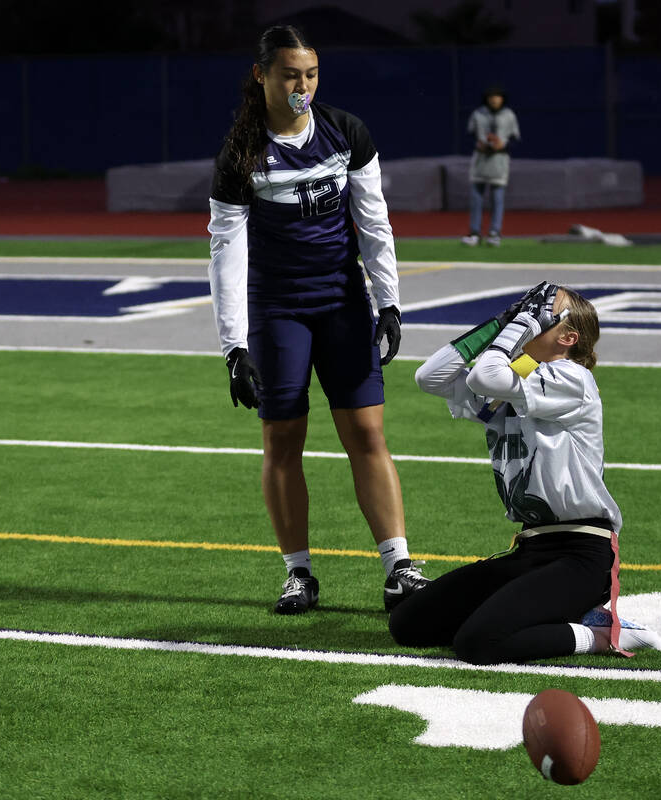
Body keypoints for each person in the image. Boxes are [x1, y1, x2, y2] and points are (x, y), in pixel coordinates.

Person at [207, 25, 429, 616]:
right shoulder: (242, 153)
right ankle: (298, 573)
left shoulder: (346, 131)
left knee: (367, 433)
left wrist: (388, 302)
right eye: (289, 75)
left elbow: (374, 221)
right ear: (262, 77)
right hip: (277, 309)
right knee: (283, 440)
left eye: (310, 74)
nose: (301, 86)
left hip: (341, 302)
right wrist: (233, 345)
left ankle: (398, 566)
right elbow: (226, 251)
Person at [388, 282, 661, 665]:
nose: (532, 314)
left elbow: (484, 377)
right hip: (532, 547)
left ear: (568, 337)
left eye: (544, 312)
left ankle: (602, 634)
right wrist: (501, 321)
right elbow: (429, 376)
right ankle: (550, 613)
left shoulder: (571, 377)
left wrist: (520, 325)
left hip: (581, 554)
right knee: (409, 623)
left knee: (479, 644)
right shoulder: (516, 379)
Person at [462, 86, 520, 248]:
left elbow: (515, 139)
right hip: (480, 160)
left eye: (497, 96)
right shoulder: (478, 114)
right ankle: (474, 233)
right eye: (491, 96)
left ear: (502, 98)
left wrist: (503, 145)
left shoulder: (508, 115)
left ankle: (494, 233)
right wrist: (477, 144)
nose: (494, 99)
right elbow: (468, 135)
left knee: (497, 199)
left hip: (499, 161)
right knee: (476, 199)